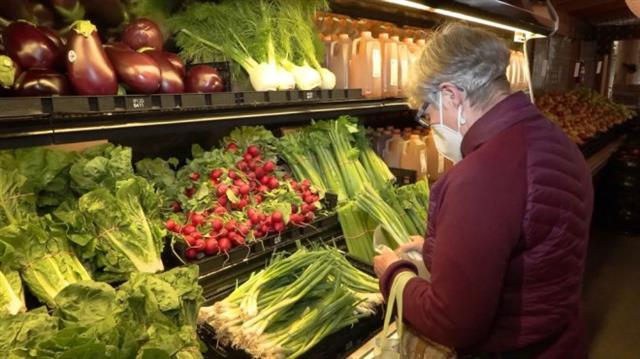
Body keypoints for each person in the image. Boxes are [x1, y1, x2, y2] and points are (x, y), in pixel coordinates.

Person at [373, 23, 593, 358]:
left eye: (427, 112)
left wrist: (393, 275)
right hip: (559, 342)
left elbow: (453, 322)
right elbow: (524, 250)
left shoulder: (479, 177)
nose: (430, 125)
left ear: (451, 96)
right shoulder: (552, 139)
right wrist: (436, 249)